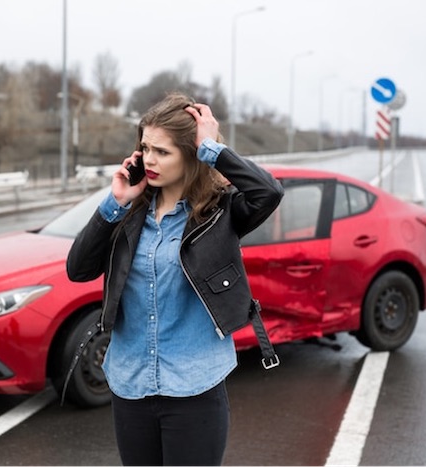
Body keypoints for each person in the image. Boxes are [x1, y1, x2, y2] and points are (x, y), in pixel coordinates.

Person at [66, 93, 284, 466]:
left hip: (195, 388)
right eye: (145, 148)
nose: (149, 160)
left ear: (191, 154)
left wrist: (213, 148)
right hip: (131, 385)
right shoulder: (129, 213)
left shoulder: (220, 212)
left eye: (162, 152)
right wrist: (115, 201)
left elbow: (268, 193)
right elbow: (78, 268)